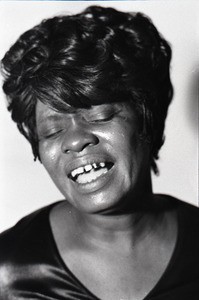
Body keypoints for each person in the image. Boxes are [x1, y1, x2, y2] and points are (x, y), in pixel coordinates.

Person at [0, 5, 198, 300]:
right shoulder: (8, 271)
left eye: (100, 116)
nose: (76, 140)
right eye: (52, 131)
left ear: (146, 117)